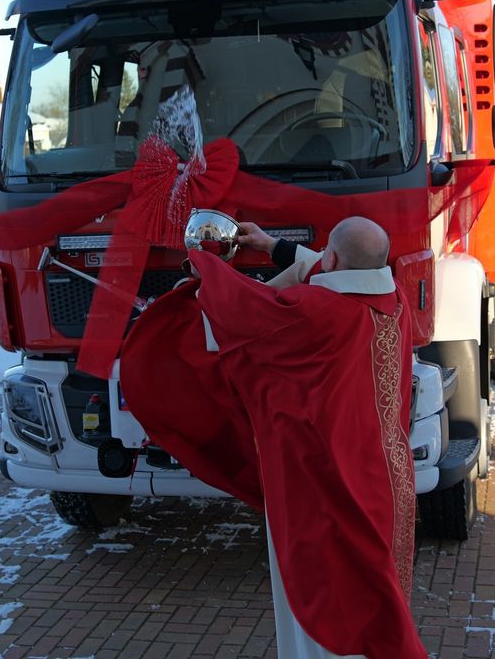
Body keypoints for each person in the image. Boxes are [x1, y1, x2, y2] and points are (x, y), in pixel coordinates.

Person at [120, 217, 427, 659]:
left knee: (327, 602)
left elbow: (245, 307)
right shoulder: (392, 297)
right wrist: (272, 246)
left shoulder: (316, 312)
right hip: (385, 476)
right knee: (375, 592)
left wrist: (205, 263)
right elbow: (328, 270)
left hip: (326, 481)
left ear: (334, 259)